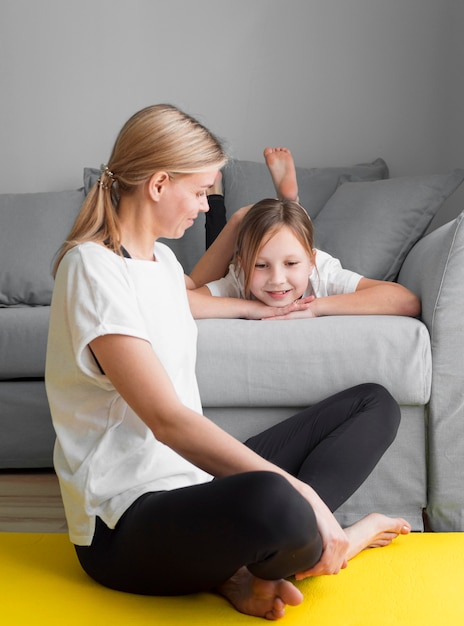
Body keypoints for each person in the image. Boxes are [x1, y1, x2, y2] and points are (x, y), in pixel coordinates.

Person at [46, 105, 410, 622]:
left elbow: (197, 299)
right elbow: (168, 421)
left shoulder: (163, 264)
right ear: (158, 184)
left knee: (374, 403)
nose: (202, 206)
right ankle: (334, 539)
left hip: (190, 490)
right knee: (278, 501)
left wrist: (264, 305)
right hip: (122, 523)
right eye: (200, 193)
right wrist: (302, 491)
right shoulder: (92, 268)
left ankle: (239, 570)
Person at [187, 148, 421, 320]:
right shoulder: (239, 276)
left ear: (311, 262)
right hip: (245, 252)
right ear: (244, 264)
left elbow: (406, 301)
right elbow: (180, 301)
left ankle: (288, 204)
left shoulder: (322, 274)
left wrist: (315, 307)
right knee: (222, 243)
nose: (277, 279)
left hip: (294, 249)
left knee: (290, 229)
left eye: (291, 263)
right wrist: (249, 308)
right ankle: (241, 207)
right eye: (260, 265)